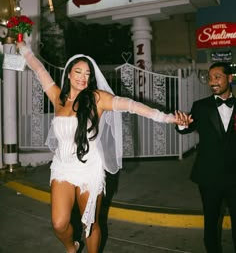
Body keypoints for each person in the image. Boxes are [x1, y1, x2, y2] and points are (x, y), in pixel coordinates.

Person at [18, 42, 188, 253]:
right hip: (62, 168)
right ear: (68, 75)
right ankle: (72, 247)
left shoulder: (97, 99)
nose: (82, 77)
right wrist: (23, 48)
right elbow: (39, 69)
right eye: (78, 71)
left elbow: (133, 106)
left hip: (90, 169)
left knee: (90, 224)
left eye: (87, 73)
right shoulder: (58, 98)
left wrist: (170, 118)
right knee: (59, 223)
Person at [176, 62, 236, 253]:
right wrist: (182, 124)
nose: (212, 82)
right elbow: (186, 128)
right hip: (209, 176)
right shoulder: (201, 106)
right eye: (210, 78)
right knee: (211, 222)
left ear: (230, 78)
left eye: (217, 77)